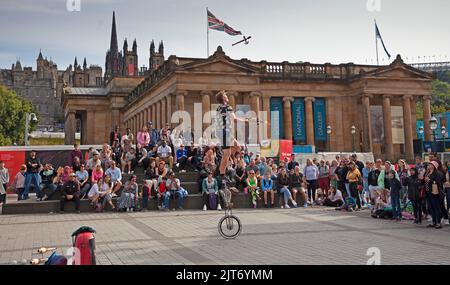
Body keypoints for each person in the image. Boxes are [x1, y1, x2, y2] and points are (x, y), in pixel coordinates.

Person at [214, 91, 248, 182]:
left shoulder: (219, 108)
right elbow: (235, 119)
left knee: (238, 147)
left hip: (224, 132)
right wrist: (246, 120)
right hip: (225, 132)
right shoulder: (228, 107)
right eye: (225, 95)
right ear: (223, 98)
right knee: (227, 154)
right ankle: (221, 173)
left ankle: (224, 164)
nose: (227, 96)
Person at [424, 160, 445, 229]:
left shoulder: (438, 173)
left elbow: (438, 182)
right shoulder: (427, 172)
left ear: (434, 166)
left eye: (430, 164)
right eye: (429, 164)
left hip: (435, 192)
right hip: (428, 192)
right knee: (431, 207)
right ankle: (434, 221)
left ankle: (438, 222)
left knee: (436, 207)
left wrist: (429, 180)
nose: (429, 166)